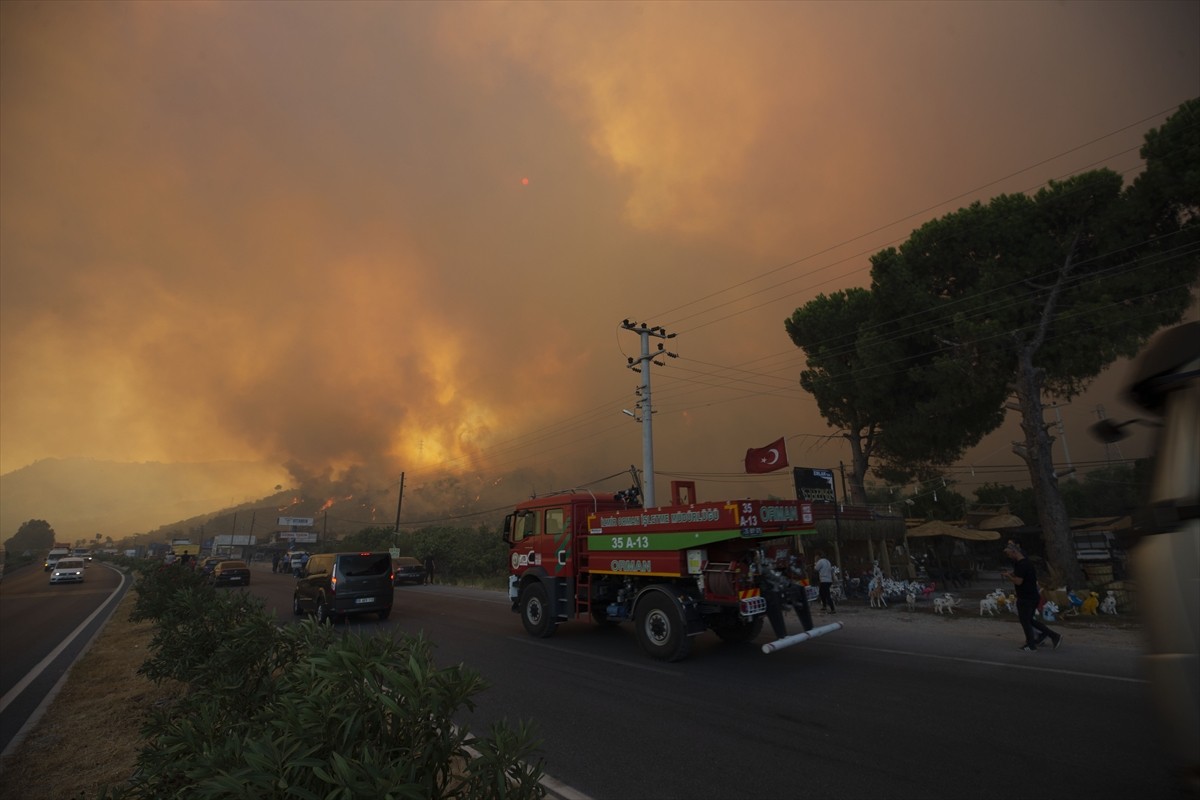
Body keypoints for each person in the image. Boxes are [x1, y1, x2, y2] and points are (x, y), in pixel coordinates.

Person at [1001, 540, 1062, 652]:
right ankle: (1048, 636)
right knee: (1030, 620)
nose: (1009, 557)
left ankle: (1031, 644)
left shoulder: (1022, 565)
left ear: (1014, 552)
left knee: (1025, 621)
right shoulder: (1025, 563)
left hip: (1026, 597)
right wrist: (1012, 574)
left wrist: (1008, 577)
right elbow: (1021, 575)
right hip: (1032, 596)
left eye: (1009, 554)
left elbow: (1018, 581)